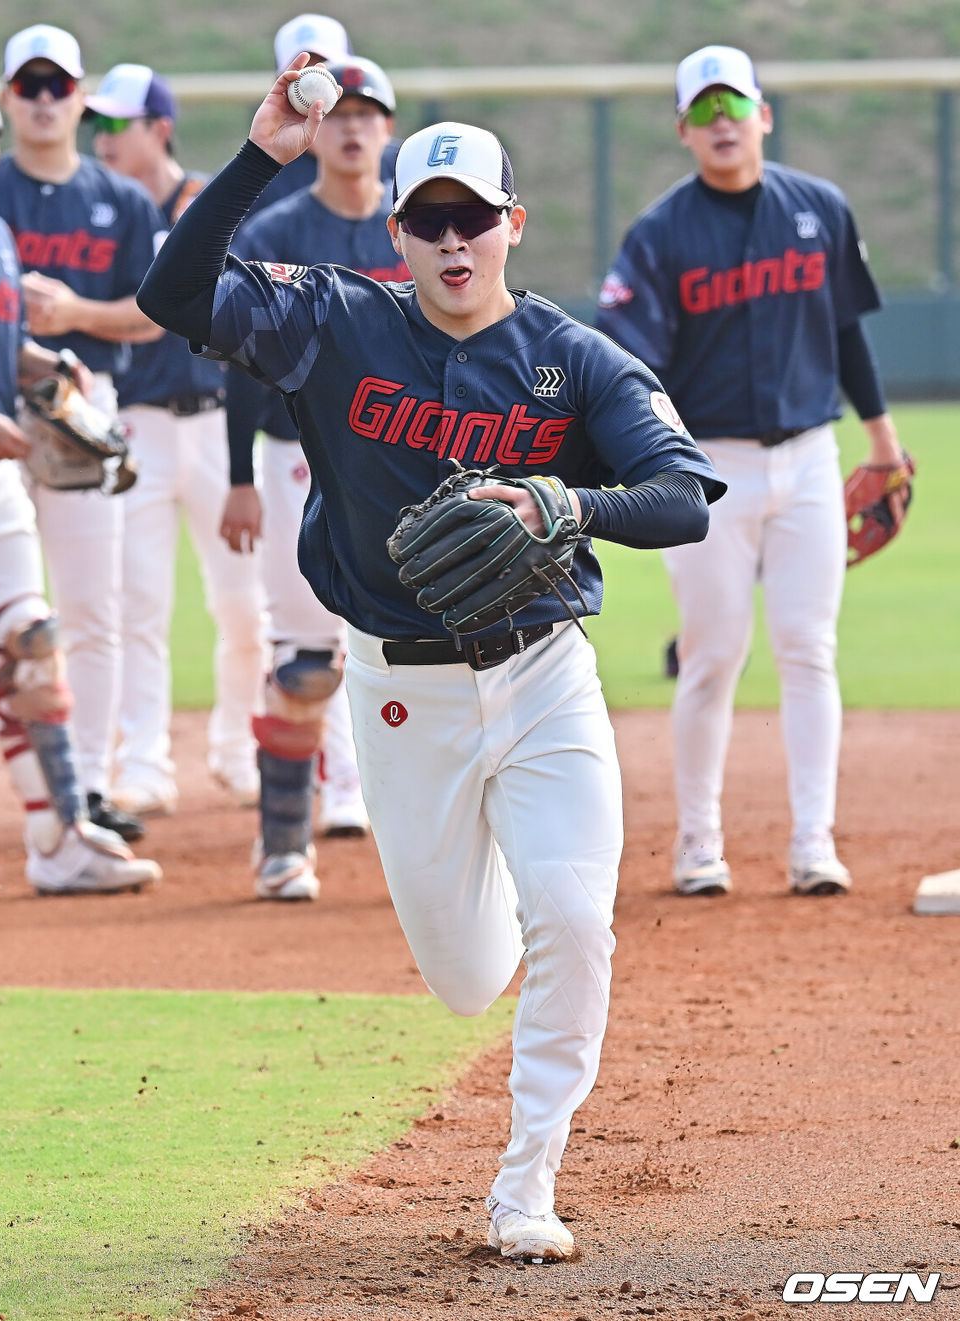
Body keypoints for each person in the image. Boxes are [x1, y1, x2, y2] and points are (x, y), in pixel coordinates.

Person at [137, 58, 724, 1259]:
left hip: (543, 668)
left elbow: (682, 498)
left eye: (473, 217)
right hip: (400, 693)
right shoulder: (333, 319)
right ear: (395, 228)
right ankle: (513, 896)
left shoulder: (575, 359)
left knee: (577, 913)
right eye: (427, 218)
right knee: (466, 980)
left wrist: (567, 507)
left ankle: (527, 1181)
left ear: (514, 223)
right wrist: (259, 159)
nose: (452, 240)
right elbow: (172, 294)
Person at [594, 45, 906, 899]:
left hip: (810, 459)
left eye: (734, 106)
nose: (721, 122)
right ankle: (699, 843)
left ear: (763, 115)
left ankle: (814, 842)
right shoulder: (660, 235)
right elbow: (633, 364)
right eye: (703, 111)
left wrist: (881, 440)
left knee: (809, 649)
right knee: (712, 655)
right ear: (683, 132)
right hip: (710, 471)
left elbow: (846, 335)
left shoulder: (820, 210)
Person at [0, 24, 171, 847]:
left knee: (89, 605)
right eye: (27, 86)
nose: (42, 100)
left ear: (80, 96)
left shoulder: (122, 200)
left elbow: (154, 314)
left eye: (56, 86)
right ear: (10, 96)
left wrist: (71, 322)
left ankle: (92, 783)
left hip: (73, 402)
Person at [219, 54, 408, 900]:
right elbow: (227, 352)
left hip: (406, 456)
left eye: (370, 113)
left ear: (389, 132)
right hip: (294, 454)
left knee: (427, 649)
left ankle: (439, 843)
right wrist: (237, 476)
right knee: (304, 662)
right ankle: (283, 845)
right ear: (317, 128)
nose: (355, 126)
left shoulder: (417, 228)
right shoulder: (276, 232)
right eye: (341, 113)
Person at [86, 63, 266, 815]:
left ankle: (237, 745)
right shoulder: (110, 208)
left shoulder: (207, 204)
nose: (101, 138)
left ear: (159, 127)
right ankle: (145, 761)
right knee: (138, 604)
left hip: (219, 422)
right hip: (139, 424)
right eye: (96, 123)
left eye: (116, 124)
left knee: (244, 605)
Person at [246, 13, 398, 216]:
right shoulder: (257, 174)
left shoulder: (400, 165)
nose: (313, 91)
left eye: (325, 73)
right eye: (301, 75)